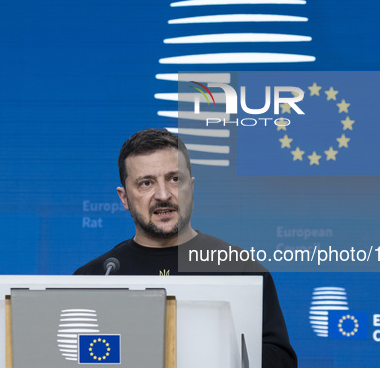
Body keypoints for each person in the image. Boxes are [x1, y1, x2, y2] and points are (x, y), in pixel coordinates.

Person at [74, 128, 298, 368]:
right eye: (146, 183)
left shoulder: (241, 268)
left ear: (191, 187)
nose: (163, 195)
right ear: (125, 198)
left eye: (174, 179)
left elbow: (281, 360)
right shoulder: (96, 277)